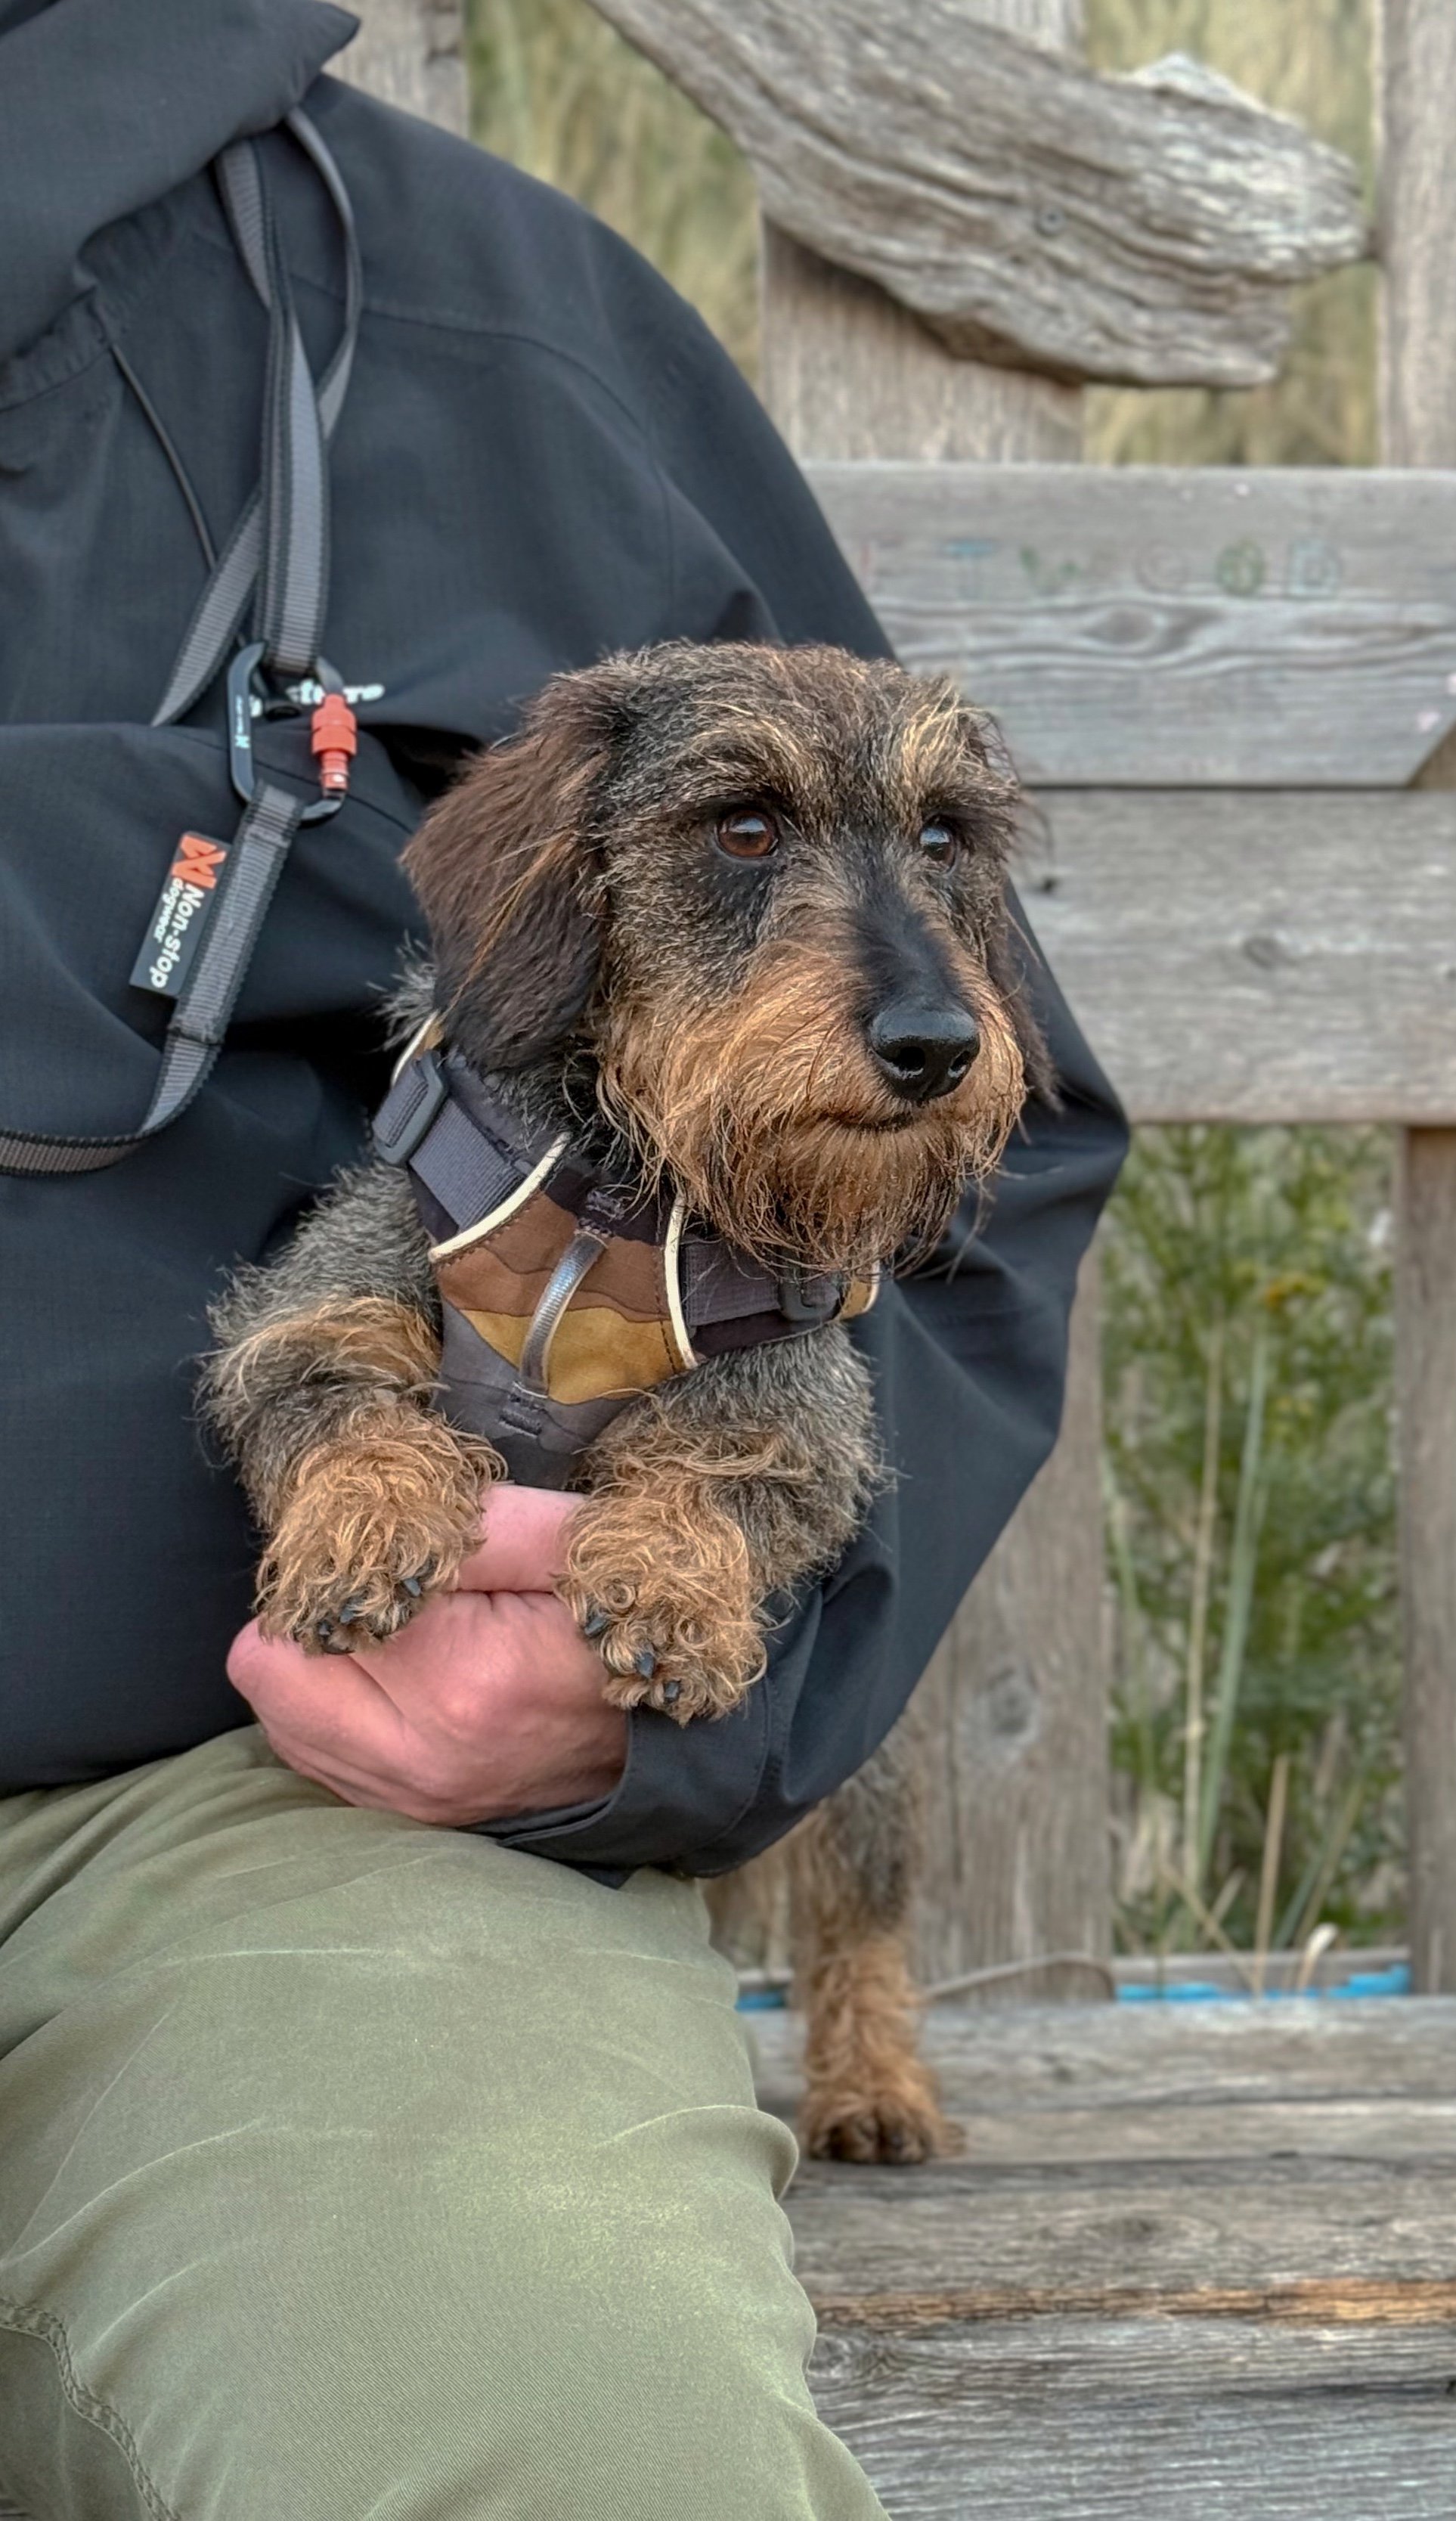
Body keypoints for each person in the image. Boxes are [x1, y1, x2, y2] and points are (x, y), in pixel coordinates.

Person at [0, 2, 1126, 2513]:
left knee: (547, 2437)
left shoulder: (468, 332)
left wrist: (657, 1680)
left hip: (259, 1831)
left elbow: (960, 1122)